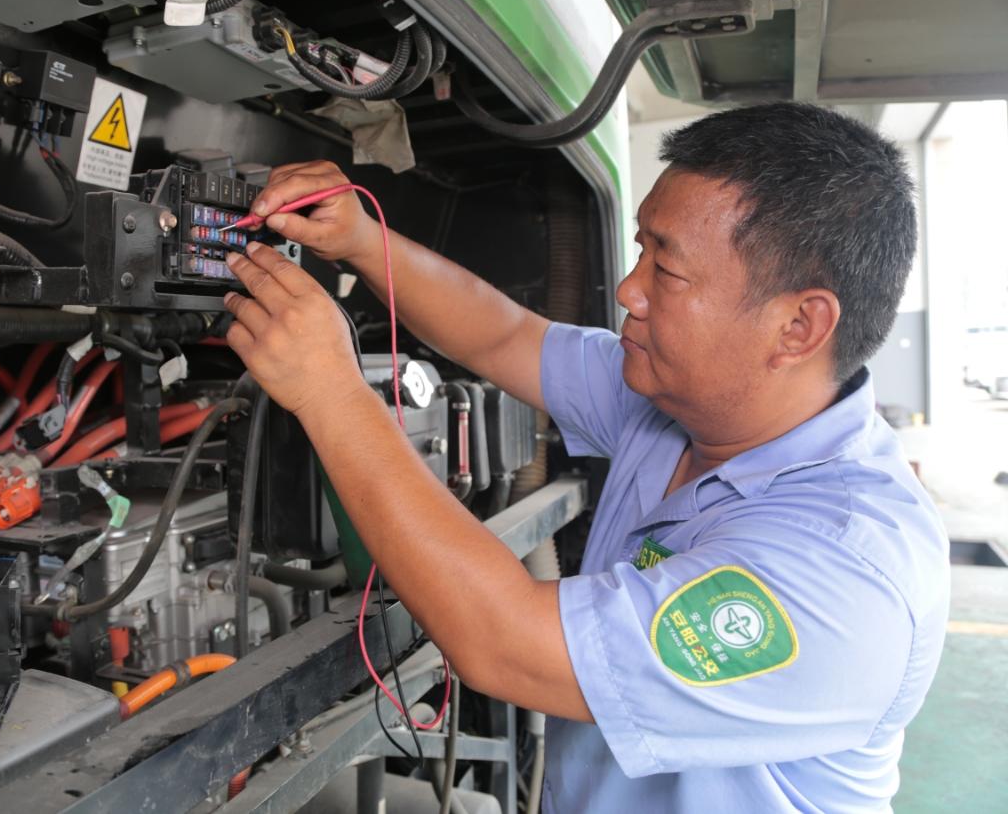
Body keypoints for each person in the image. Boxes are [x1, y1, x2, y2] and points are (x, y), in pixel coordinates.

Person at [219, 102, 949, 812]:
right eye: (640, 248)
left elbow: (502, 642)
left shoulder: (847, 571)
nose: (629, 289)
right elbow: (505, 335)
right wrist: (358, 239)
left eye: (666, 268)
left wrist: (332, 394)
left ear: (798, 325)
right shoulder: (682, 403)